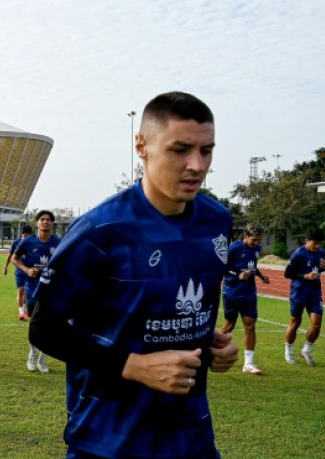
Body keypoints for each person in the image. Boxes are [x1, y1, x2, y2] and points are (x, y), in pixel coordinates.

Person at [29, 91, 239, 459]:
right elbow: (44, 328)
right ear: (142, 146)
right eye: (180, 149)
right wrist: (133, 365)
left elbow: (185, 309)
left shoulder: (216, 221)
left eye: (206, 151)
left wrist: (211, 344)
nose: (197, 165)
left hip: (190, 437)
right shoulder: (101, 229)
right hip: (107, 439)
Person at [10, 210, 60, 373]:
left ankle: (42, 360)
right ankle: (32, 354)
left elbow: (66, 262)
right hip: (32, 290)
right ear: (37, 223)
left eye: (48, 220)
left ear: (52, 224)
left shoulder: (58, 242)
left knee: (47, 326)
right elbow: (14, 259)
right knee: (34, 325)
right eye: (42, 219)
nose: (45, 222)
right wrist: (26, 270)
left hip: (51, 291)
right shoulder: (28, 242)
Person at [220, 223, 270, 375]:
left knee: (250, 325)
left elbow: (252, 265)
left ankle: (248, 363)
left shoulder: (257, 248)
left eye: (259, 240)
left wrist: (260, 276)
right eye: (254, 240)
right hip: (232, 291)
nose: (257, 243)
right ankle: (208, 351)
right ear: (245, 236)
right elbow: (222, 266)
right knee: (229, 326)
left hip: (249, 292)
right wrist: (237, 275)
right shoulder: (234, 248)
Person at [283, 227, 325, 367]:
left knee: (316, 325)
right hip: (298, 293)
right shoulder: (298, 254)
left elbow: (318, 268)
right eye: (314, 243)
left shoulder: (321, 252)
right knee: (295, 322)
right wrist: (305, 276)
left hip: (315, 293)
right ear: (307, 241)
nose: (317, 246)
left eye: (320, 243)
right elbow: (287, 274)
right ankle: (288, 352)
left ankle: (306, 350)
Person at [3, 225, 33, 320]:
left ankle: (24, 309)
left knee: (27, 292)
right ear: (21, 234)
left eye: (28, 236)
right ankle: (21, 312)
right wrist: (5, 266)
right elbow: (10, 255)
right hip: (19, 270)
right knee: (21, 290)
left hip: (30, 271)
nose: (26, 238)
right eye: (24, 236)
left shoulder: (33, 243)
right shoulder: (16, 243)